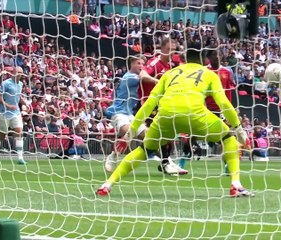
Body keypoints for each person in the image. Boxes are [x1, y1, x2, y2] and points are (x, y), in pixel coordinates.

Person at [96, 49, 254, 197]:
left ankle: (107, 184)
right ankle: (236, 184)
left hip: (165, 117)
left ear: (184, 59)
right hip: (195, 115)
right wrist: (240, 131)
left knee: (143, 150)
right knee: (228, 138)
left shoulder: (170, 73)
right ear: (204, 60)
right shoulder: (209, 74)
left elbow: (149, 103)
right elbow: (224, 104)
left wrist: (129, 135)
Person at [138, 38, 187, 175]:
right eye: (168, 50)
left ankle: (167, 162)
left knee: (168, 133)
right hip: (149, 104)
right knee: (162, 133)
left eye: (173, 50)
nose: (171, 52)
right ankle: (166, 163)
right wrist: (158, 81)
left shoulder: (173, 64)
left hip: (164, 105)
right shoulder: (155, 62)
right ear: (162, 49)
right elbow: (142, 75)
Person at [103, 55, 149, 172]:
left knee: (149, 137)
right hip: (118, 113)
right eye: (138, 63)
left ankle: (165, 161)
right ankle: (113, 156)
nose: (141, 66)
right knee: (128, 131)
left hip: (129, 114)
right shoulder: (130, 77)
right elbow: (146, 78)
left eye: (143, 64)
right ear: (132, 64)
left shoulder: (135, 77)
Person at [0, 67, 29, 165]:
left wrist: (24, 102)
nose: (20, 74)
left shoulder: (20, 84)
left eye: (21, 73)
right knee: (2, 137)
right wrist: (7, 105)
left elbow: (18, 96)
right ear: (13, 73)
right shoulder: (6, 83)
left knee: (19, 132)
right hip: (4, 113)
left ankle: (20, 158)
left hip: (16, 113)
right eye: (18, 72)